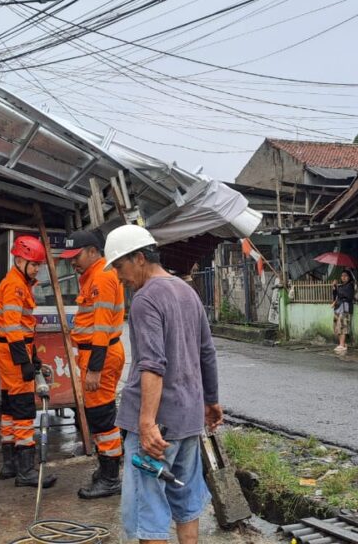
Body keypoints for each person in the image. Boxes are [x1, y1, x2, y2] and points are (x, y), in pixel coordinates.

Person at [106, 225, 221, 544]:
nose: (118, 276)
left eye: (119, 266)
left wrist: (145, 423)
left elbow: (152, 365)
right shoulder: (187, 291)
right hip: (187, 421)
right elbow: (206, 352)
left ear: (139, 258)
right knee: (186, 502)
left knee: (150, 511)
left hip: (156, 430)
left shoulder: (145, 299)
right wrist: (210, 401)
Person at [59, 230, 126, 499]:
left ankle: (111, 478)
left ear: (92, 251)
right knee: (98, 413)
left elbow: (101, 329)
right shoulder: (93, 277)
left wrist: (95, 369)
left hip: (101, 356)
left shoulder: (101, 277)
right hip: (96, 355)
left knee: (102, 416)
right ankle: (106, 469)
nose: (72, 262)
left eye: (76, 256)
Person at [0, 235, 56, 488]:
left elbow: (19, 325)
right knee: (23, 410)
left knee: (9, 407)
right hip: (12, 352)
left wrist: (33, 356)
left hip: (10, 350)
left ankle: (9, 464)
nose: (37, 268)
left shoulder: (18, 283)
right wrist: (24, 361)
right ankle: (26, 470)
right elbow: (12, 327)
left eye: (39, 264)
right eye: (34, 264)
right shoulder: (15, 286)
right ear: (19, 260)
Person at [331, 270, 355, 354]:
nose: (343, 277)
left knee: (343, 326)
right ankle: (342, 344)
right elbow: (335, 296)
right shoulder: (340, 286)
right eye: (342, 276)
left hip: (345, 308)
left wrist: (337, 288)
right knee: (337, 326)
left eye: (345, 276)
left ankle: (342, 344)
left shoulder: (350, 286)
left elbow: (347, 296)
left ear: (349, 277)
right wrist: (334, 288)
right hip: (338, 307)